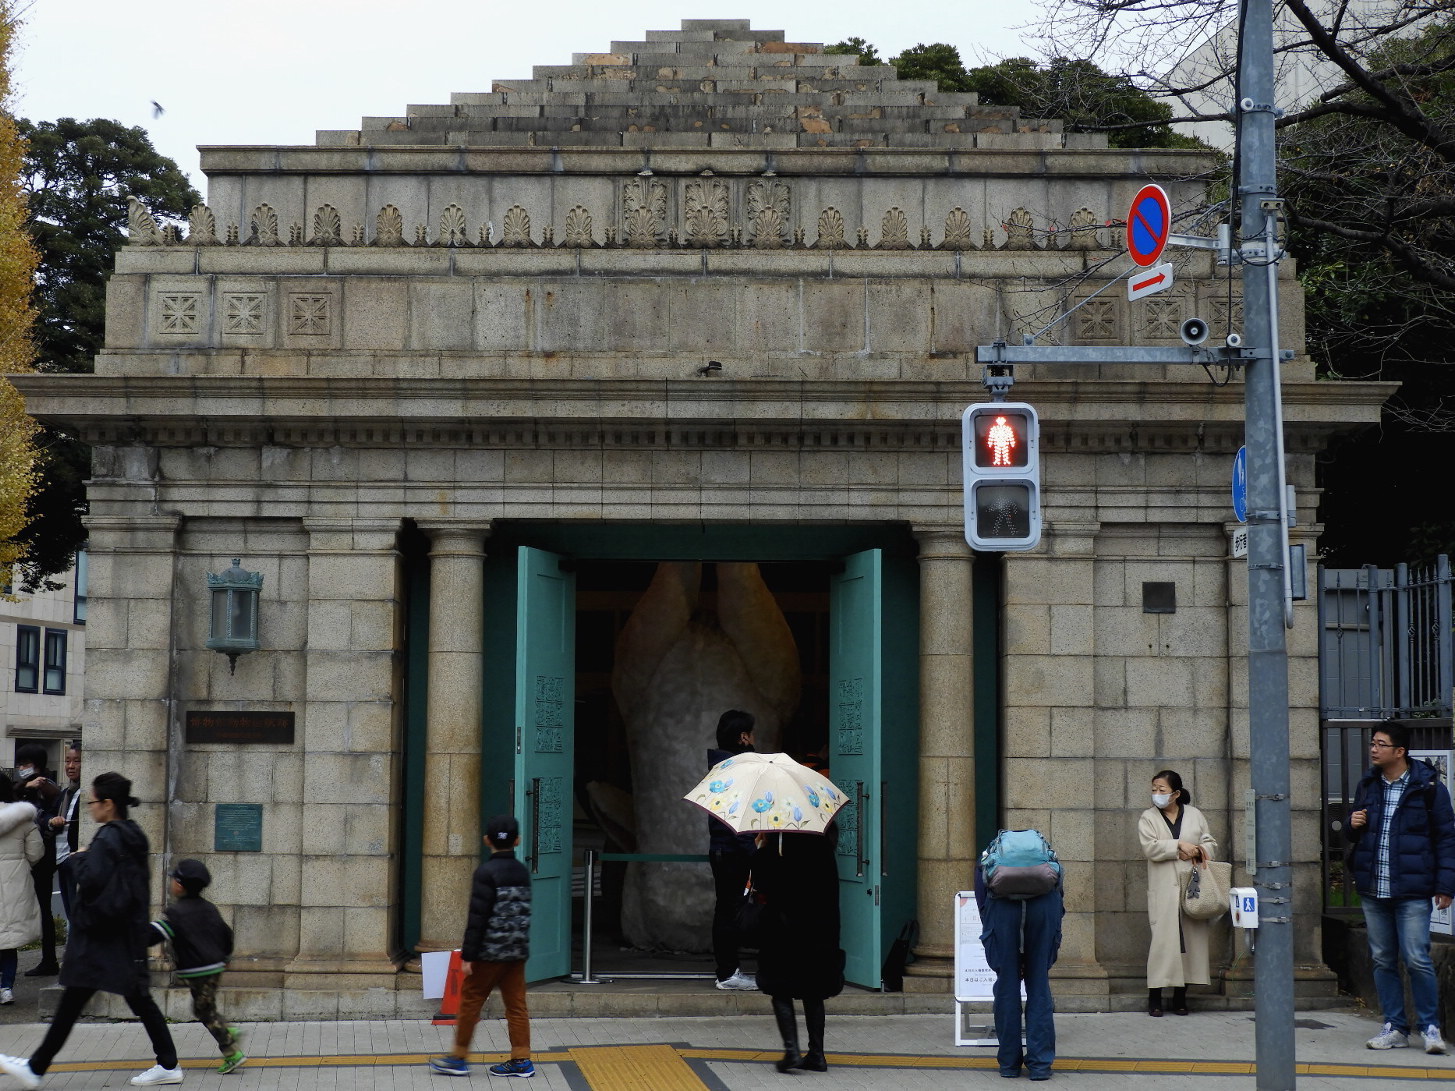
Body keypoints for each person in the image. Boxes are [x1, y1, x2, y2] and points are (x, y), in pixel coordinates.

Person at [0, 772, 184, 1088]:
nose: (91, 807)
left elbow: (92, 880)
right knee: (134, 999)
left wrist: (79, 858)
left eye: (93, 802)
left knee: (78, 1001)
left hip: (101, 938)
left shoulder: (109, 838)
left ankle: (36, 1067)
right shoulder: (133, 834)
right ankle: (168, 1064)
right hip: (122, 935)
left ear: (108, 804)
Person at [1346, 720, 1455, 1054]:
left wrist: (1445, 885)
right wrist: (1352, 823)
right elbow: (1354, 834)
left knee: (1417, 958)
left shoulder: (1429, 787)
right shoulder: (1368, 784)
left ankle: (1430, 1027)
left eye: (1380, 744)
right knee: (1382, 959)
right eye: (1372, 743)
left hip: (1412, 889)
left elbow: (1446, 837)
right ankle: (1394, 1027)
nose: (1373, 749)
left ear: (1400, 751)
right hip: (1374, 887)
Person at [428, 814, 534, 1079]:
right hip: (516, 952)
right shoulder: (522, 872)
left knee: (471, 1001)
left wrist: (468, 955)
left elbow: (478, 917)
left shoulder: (485, 873)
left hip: (489, 953)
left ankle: (458, 1058)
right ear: (517, 841)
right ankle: (521, 1060)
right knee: (516, 1006)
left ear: (487, 840)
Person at [753, 823, 843, 1074]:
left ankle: (792, 1051)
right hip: (820, 929)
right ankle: (817, 1054)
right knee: (813, 989)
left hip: (785, 929)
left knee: (779, 986)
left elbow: (763, 883)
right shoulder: (823, 844)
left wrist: (761, 848)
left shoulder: (780, 844)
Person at [977, 835, 1064, 1081]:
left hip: (1002, 913)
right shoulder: (1046, 853)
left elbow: (982, 894)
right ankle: (1040, 1065)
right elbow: (1059, 890)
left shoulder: (990, 854)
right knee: (1039, 987)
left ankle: (1009, 1064)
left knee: (1007, 988)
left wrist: (990, 924)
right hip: (1044, 911)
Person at [149, 859, 246, 1074]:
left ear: (179, 885)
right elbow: (226, 933)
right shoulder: (209, 908)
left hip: (198, 970)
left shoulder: (176, 913)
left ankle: (231, 1051)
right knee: (205, 1007)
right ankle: (226, 1031)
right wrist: (226, 955)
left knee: (203, 1010)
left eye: (173, 879)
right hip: (216, 966)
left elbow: (154, 934)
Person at [1138, 769, 1218, 1017]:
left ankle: (1181, 997)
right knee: (1163, 942)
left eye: (1162, 789)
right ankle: (1155, 997)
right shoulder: (1148, 817)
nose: (1156, 793)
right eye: (1154, 789)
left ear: (1176, 793)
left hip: (1192, 886)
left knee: (1191, 941)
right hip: (1163, 888)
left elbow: (1210, 843)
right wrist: (1178, 846)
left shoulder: (1195, 815)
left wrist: (1197, 850)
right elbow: (1150, 848)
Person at [708, 708, 759, 991]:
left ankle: (727, 971)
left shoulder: (722, 767)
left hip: (724, 849)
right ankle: (727, 973)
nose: (754, 739)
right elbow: (738, 820)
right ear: (743, 738)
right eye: (751, 734)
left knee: (725, 910)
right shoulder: (736, 771)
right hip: (732, 851)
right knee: (729, 911)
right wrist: (754, 853)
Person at [13, 743, 60, 977]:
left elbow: (46, 817)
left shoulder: (46, 787)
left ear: (38, 766)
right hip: (26, 855)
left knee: (43, 908)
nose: (21, 768)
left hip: (41, 857)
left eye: (26, 764)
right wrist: (24, 786)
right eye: (19, 764)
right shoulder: (26, 787)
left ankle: (49, 959)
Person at [0, 776, 43, 1005]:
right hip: (15, 884)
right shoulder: (23, 820)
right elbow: (36, 852)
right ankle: (6, 987)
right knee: (9, 939)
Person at [44, 745, 82, 922]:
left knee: (76, 915)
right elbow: (48, 815)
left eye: (76, 761)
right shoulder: (65, 793)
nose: (70, 766)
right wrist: (52, 821)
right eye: (67, 761)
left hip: (73, 859)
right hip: (60, 859)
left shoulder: (85, 794)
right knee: (70, 914)